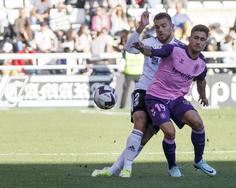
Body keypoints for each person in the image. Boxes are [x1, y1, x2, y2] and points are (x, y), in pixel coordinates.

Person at [91, 11, 183, 178]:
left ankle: (113, 169)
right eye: (157, 27)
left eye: (164, 26)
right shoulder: (149, 42)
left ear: (172, 27)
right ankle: (127, 168)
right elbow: (128, 48)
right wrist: (141, 26)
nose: (160, 30)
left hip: (162, 97)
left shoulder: (180, 48)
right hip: (144, 88)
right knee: (139, 121)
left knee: (144, 138)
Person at [132, 24, 217, 177]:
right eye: (196, 38)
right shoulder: (174, 50)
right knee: (170, 132)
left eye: (202, 39)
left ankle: (199, 160)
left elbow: (201, 82)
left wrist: (203, 96)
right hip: (155, 97)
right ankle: (172, 167)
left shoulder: (202, 64)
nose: (198, 42)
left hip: (176, 99)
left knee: (198, 123)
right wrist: (141, 48)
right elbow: (152, 52)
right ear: (189, 39)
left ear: (205, 43)